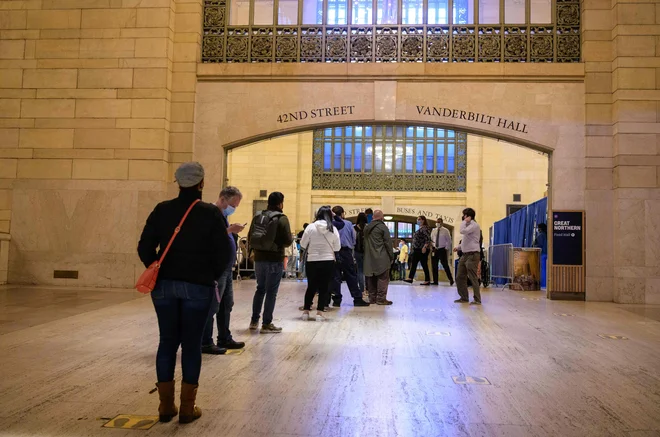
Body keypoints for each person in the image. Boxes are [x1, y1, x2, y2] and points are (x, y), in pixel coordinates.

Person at [138, 162, 231, 424]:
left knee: (167, 341)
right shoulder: (210, 213)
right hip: (198, 286)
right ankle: (188, 408)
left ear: (178, 183)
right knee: (191, 344)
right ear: (201, 183)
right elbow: (224, 253)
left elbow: (145, 246)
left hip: (164, 285)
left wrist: (156, 266)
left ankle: (166, 406)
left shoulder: (162, 210)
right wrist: (208, 275)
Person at [201, 186, 246, 355]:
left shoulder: (223, 216)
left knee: (227, 304)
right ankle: (205, 342)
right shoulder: (210, 214)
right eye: (233, 204)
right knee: (212, 305)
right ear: (222, 199)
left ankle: (224, 337)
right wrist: (229, 230)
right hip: (217, 269)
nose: (234, 208)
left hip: (226, 269)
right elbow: (208, 238)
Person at [248, 192, 293, 333]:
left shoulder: (258, 216)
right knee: (271, 292)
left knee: (260, 288)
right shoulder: (282, 218)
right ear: (280, 203)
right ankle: (267, 323)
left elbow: (250, 236)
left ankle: (254, 321)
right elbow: (287, 240)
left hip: (259, 258)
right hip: (275, 259)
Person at [300, 206, 341, 321]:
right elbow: (337, 247)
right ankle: (319, 313)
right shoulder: (333, 228)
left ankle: (306, 311)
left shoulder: (310, 227)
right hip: (328, 260)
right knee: (324, 287)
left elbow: (303, 244)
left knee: (311, 286)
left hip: (312, 260)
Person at [329, 206, 370, 307]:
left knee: (336, 276)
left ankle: (336, 300)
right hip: (346, 252)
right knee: (351, 275)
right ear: (343, 213)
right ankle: (357, 298)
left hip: (333, 252)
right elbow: (354, 239)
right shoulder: (348, 224)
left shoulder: (330, 225)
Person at [363, 210, 396, 305]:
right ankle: (381, 299)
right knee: (383, 278)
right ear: (382, 217)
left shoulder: (366, 228)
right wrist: (391, 256)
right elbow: (388, 244)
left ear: (373, 217)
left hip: (369, 257)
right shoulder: (382, 227)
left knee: (371, 278)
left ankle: (372, 298)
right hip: (381, 256)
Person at [454, 208, 482, 305]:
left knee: (472, 277)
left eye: (464, 215)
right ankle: (464, 297)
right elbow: (467, 240)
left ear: (468, 216)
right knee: (459, 277)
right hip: (465, 255)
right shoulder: (469, 226)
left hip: (473, 255)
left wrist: (464, 222)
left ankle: (477, 299)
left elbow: (462, 231)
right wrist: (458, 247)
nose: (463, 217)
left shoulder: (474, 225)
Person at [404, 216, 432, 285]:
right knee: (414, 263)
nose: (418, 220)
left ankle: (427, 280)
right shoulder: (420, 228)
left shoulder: (425, 228)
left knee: (423, 264)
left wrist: (425, 247)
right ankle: (410, 278)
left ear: (423, 220)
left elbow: (427, 239)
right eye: (417, 219)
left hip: (421, 249)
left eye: (419, 219)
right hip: (417, 249)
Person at [430, 218, 454, 286]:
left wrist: (446, 248)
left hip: (442, 249)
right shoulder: (434, 230)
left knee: (445, 265)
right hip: (435, 249)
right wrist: (432, 246)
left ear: (442, 223)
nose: (438, 223)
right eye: (437, 222)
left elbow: (449, 240)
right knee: (434, 266)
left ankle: (450, 279)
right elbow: (431, 239)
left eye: (439, 222)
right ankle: (435, 281)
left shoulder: (445, 230)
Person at [353, 212, 368, 295]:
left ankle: (361, 290)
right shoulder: (368, 227)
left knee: (360, 271)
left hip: (357, 251)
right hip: (367, 252)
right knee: (367, 271)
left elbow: (353, 240)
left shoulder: (354, 228)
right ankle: (368, 289)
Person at [533, 223, 548, 288]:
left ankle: (543, 284)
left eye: (538, 228)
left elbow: (538, 246)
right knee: (547, 269)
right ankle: (547, 283)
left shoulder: (541, 236)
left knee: (543, 269)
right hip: (549, 254)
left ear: (540, 228)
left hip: (542, 254)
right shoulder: (548, 235)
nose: (537, 229)